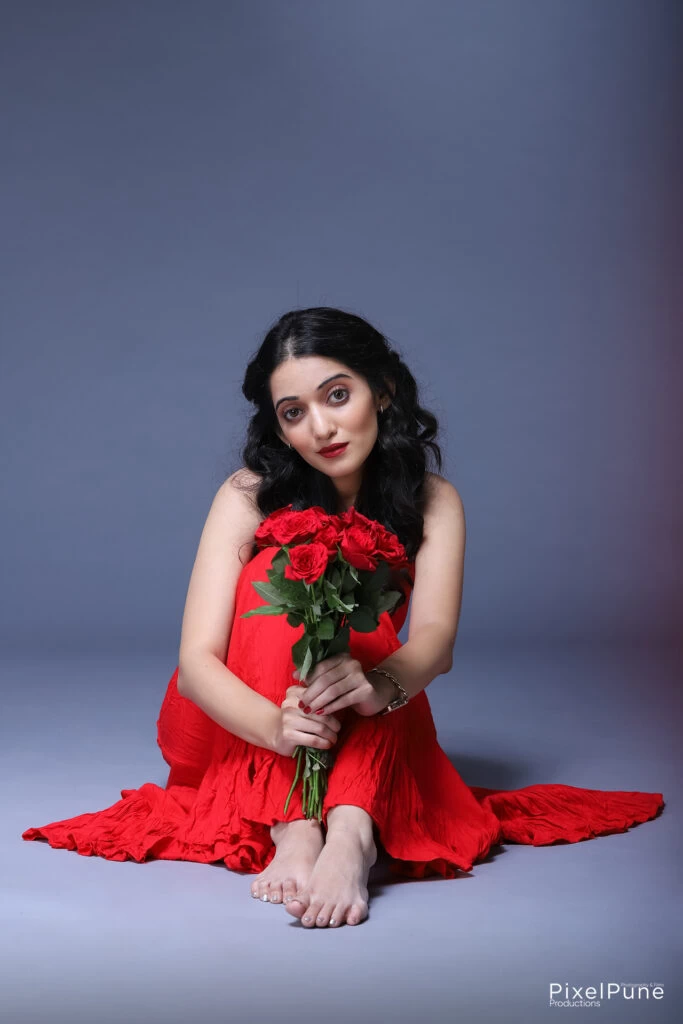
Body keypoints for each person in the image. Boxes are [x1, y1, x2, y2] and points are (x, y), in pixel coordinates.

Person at [22, 306, 665, 929]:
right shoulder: (249, 494)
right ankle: (296, 823)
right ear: (278, 429)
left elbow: (435, 641)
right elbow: (195, 665)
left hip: (356, 700)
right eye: (294, 413)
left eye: (337, 396)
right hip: (234, 716)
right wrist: (277, 728)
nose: (321, 429)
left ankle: (352, 832)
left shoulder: (432, 501)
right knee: (281, 574)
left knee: (366, 641)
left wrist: (379, 687)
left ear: (382, 391)